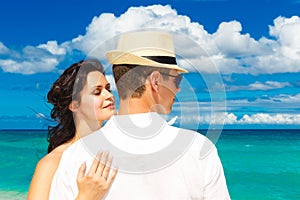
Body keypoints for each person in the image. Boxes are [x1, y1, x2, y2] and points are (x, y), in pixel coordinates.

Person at [49, 31, 231, 199]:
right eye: (176, 79)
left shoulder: (76, 155)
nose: (178, 88)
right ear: (156, 81)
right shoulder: (198, 149)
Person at [28, 59, 118, 200]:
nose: (109, 96)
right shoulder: (51, 163)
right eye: (97, 92)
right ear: (75, 106)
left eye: (108, 88)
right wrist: (85, 196)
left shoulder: (117, 149)